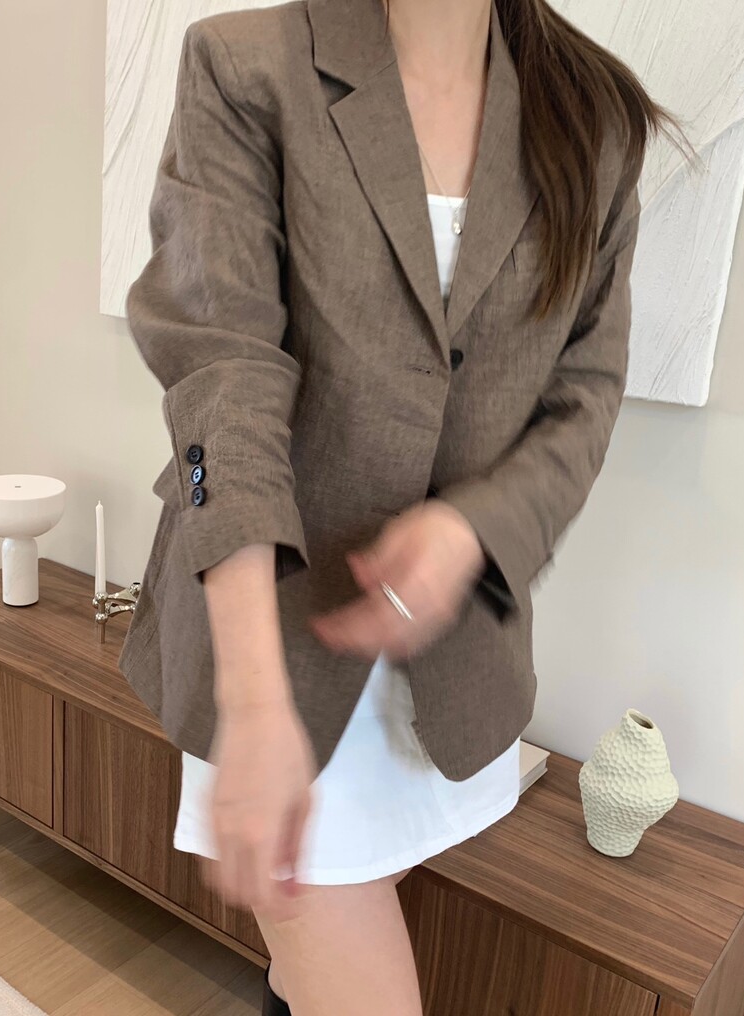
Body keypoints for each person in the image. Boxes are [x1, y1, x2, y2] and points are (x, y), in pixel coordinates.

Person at [118, 0, 690, 1013]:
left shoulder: (593, 116)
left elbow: (584, 397)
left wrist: (476, 528)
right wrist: (253, 699)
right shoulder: (247, 65)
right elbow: (221, 375)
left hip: (450, 665)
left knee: (307, 971)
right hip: (272, 645)